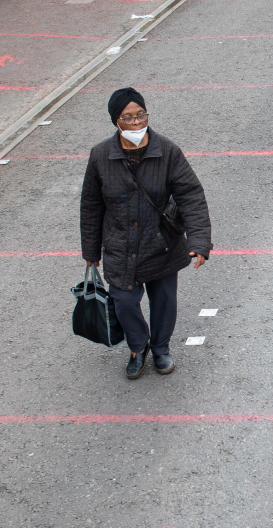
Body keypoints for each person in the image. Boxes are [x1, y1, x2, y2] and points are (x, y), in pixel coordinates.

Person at [80, 87, 212, 379]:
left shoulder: (167, 150)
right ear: (116, 121)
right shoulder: (100, 156)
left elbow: (191, 195)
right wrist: (90, 252)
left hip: (161, 244)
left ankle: (161, 348)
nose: (137, 123)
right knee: (124, 302)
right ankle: (138, 347)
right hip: (119, 245)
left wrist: (200, 242)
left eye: (141, 115)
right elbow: (91, 205)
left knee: (164, 301)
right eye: (128, 118)